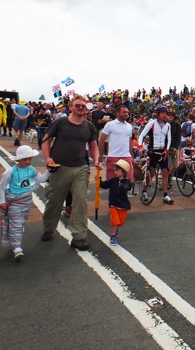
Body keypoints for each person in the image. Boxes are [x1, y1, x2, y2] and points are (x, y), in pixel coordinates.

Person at [41, 95, 101, 251]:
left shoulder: (89, 126)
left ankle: (79, 237)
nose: (81, 108)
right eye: (78, 105)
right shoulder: (60, 123)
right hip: (59, 167)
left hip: (81, 167)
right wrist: (47, 158)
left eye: (83, 106)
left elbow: (93, 146)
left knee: (80, 201)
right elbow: (46, 140)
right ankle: (48, 227)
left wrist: (96, 160)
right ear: (71, 106)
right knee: (54, 200)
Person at [0, 145, 48, 261]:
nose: (28, 161)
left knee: (19, 223)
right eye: (25, 159)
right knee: (17, 224)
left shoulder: (31, 169)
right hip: (14, 202)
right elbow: (1, 186)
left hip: (26, 202)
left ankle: (13, 243)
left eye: (30, 159)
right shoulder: (10, 171)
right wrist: (2, 201)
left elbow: (41, 180)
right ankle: (17, 248)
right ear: (18, 160)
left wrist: (49, 170)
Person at [98, 104, 136, 196]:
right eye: (124, 112)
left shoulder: (129, 126)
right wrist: (100, 156)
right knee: (113, 184)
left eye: (127, 112)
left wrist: (133, 157)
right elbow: (102, 140)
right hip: (113, 157)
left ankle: (122, 204)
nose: (126, 114)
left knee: (129, 182)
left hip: (126, 157)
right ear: (117, 113)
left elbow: (129, 142)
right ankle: (113, 205)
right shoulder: (110, 125)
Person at [138, 106, 172, 204]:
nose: (165, 115)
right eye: (162, 113)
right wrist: (141, 147)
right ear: (157, 114)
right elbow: (141, 135)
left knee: (165, 172)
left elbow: (169, 139)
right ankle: (144, 191)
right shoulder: (151, 123)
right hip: (153, 151)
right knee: (151, 173)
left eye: (165, 113)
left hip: (163, 152)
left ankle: (165, 195)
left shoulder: (168, 125)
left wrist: (167, 150)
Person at [101, 159, 132, 246]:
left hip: (122, 204)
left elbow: (127, 187)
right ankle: (113, 236)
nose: (115, 171)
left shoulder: (127, 182)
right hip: (113, 204)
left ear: (123, 172)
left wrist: (121, 186)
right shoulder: (113, 180)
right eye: (115, 170)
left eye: (117, 170)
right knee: (114, 221)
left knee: (121, 222)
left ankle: (116, 229)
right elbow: (104, 185)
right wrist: (99, 181)